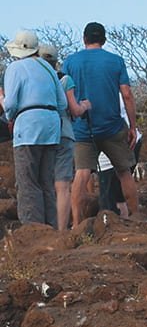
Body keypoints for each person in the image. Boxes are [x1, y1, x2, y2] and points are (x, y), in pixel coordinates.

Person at [62, 22, 139, 226]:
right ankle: (136, 219)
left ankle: (77, 225)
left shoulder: (70, 62)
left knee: (81, 173)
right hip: (112, 127)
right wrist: (132, 126)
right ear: (104, 40)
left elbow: (63, 93)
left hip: (82, 128)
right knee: (124, 172)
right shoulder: (116, 61)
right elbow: (127, 94)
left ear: (84, 39)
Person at [3, 31, 68, 226]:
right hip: (52, 127)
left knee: (27, 183)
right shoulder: (48, 68)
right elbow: (62, 103)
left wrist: (7, 112)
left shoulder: (15, 67)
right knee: (46, 182)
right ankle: (51, 230)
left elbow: (10, 103)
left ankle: (33, 231)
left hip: (28, 128)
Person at [38, 44, 91, 231]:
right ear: (56, 61)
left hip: (40, 133)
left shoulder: (35, 79)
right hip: (63, 132)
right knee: (62, 186)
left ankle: (41, 229)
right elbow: (74, 110)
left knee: (42, 182)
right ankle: (60, 232)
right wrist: (85, 106)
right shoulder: (64, 79)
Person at [97, 95, 143, 216]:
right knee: (119, 195)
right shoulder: (115, 87)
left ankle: (124, 221)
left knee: (109, 203)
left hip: (114, 141)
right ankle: (130, 219)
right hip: (131, 138)